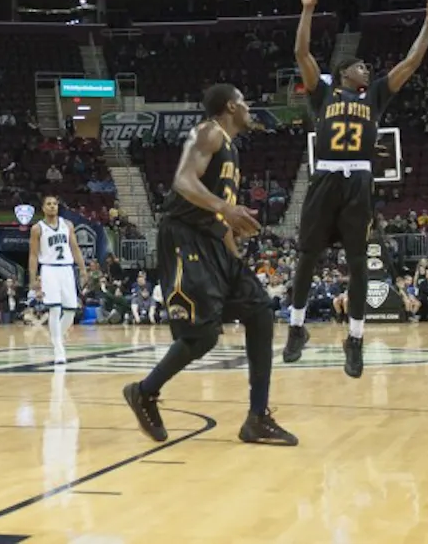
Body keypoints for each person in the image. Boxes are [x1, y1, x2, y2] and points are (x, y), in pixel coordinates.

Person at [122, 84, 297, 447]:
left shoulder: (231, 148)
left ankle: (257, 417)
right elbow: (183, 181)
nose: (249, 108)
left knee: (261, 310)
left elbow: (219, 215)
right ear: (231, 105)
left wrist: (234, 254)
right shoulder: (209, 132)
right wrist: (227, 209)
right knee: (202, 335)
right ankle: (144, 392)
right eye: (245, 102)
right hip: (185, 237)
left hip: (215, 242)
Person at [284, 0, 428, 378]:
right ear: (343, 73)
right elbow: (301, 51)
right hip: (327, 177)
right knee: (307, 257)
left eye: (366, 65)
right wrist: (307, 9)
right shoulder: (324, 93)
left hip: (359, 182)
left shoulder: (375, 96)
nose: (366, 68)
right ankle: (297, 328)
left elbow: (411, 63)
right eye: (359, 65)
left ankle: (355, 339)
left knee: (358, 263)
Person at [28, 195, 88, 364]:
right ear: (43, 208)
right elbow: (33, 255)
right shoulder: (37, 228)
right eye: (49, 204)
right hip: (49, 269)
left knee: (70, 309)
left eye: (55, 204)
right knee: (54, 309)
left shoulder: (67, 225)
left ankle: (56, 338)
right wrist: (33, 278)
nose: (52, 206)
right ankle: (59, 348)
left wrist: (83, 269)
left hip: (67, 269)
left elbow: (75, 248)